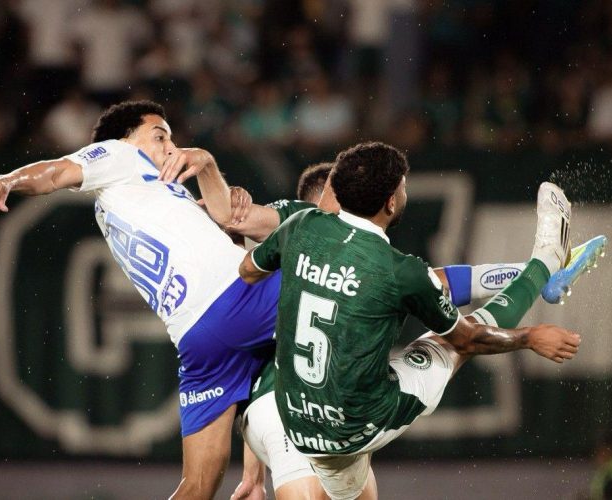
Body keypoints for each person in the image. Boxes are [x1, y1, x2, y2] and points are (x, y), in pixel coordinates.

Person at [238, 142, 583, 499]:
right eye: (402, 186)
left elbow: (248, 270)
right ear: (390, 202)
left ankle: (536, 270)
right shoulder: (399, 270)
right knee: (450, 344)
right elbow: (469, 340)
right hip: (354, 427)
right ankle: (547, 257)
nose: (405, 191)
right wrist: (529, 336)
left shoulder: (301, 226)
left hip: (298, 425)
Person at [0, 100, 274, 500]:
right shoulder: (120, 156)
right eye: (159, 135)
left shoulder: (150, 194)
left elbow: (227, 225)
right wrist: (7, 178)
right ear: (126, 140)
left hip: (197, 339)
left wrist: (209, 171)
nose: (170, 146)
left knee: (197, 485)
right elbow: (56, 173)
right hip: (236, 299)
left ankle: (254, 480)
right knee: (325, 273)